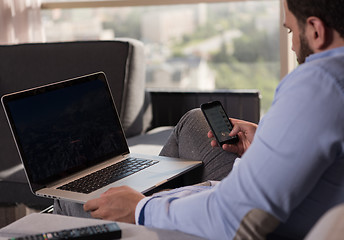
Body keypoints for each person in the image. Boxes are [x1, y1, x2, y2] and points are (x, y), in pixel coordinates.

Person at [54, 0, 344, 239]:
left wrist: (141, 209)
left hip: (240, 222)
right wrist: (266, 141)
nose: (293, 46)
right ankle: (162, 192)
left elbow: (236, 218)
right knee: (194, 121)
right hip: (277, 199)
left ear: (316, 31)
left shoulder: (320, 82)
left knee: (68, 201)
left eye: (292, 32)